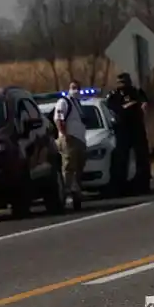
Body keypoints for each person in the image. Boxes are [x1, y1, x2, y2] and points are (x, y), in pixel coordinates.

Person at [106, 73, 151, 195]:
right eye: (120, 83)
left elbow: (144, 103)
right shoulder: (113, 96)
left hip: (137, 127)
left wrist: (142, 105)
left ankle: (143, 184)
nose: (122, 86)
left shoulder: (136, 92)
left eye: (125, 82)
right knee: (121, 158)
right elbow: (111, 109)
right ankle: (120, 186)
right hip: (122, 129)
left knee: (142, 156)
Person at [54, 80, 88, 210]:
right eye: (73, 88)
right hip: (69, 140)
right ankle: (66, 194)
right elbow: (59, 119)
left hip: (80, 140)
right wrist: (64, 134)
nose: (76, 91)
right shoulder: (64, 102)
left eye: (78, 88)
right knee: (68, 167)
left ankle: (76, 192)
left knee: (78, 167)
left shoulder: (77, 103)